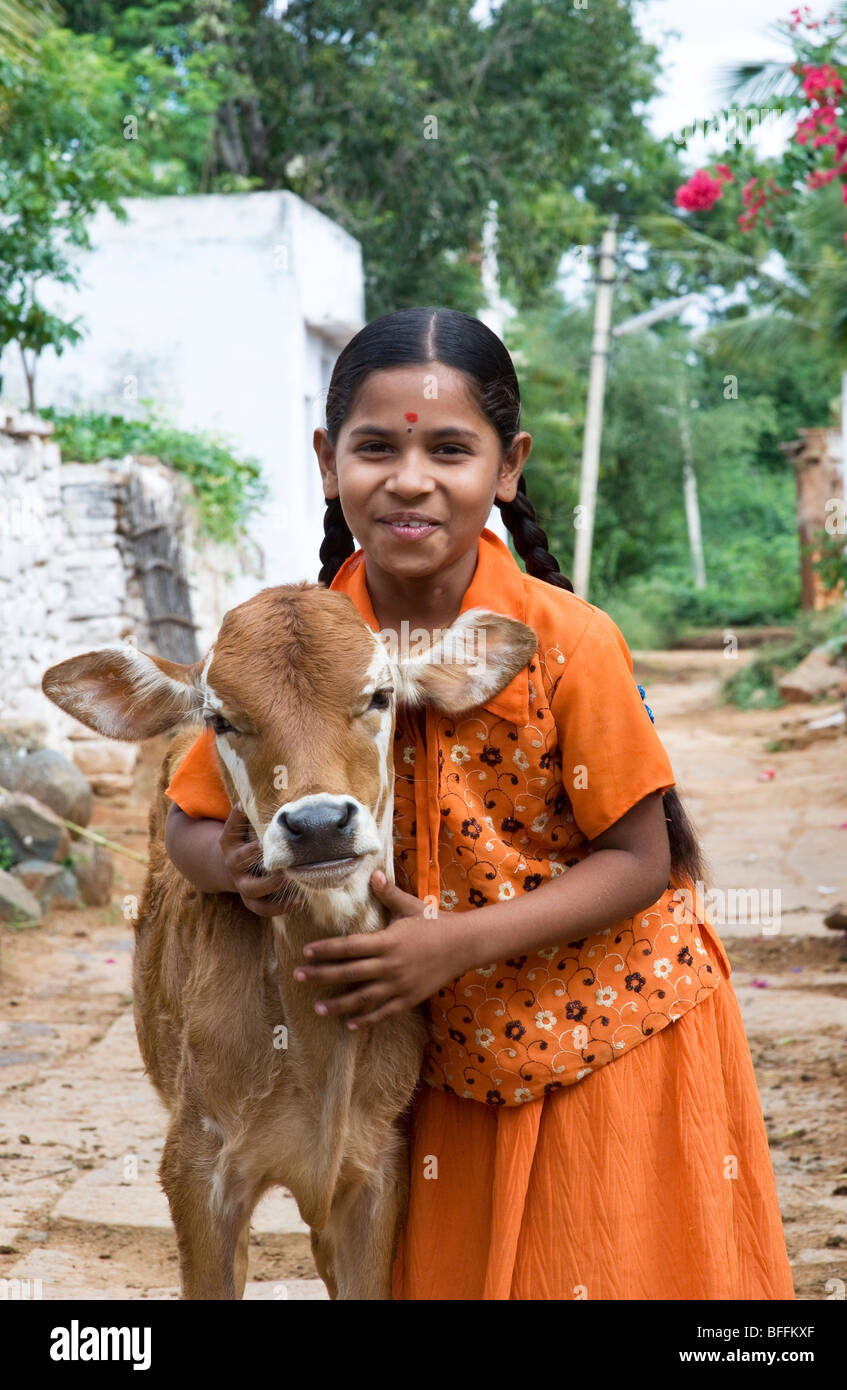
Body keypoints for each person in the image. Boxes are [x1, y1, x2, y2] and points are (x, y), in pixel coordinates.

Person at [163, 306, 795, 1301]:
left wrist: (451, 943)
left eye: (449, 448)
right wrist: (232, 865)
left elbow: (644, 859)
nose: (409, 477)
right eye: (377, 446)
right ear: (330, 461)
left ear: (508, 467)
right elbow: (186, 819)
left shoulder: (567, 640)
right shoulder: (292, 645)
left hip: (611, 1032)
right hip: (440, 1065)